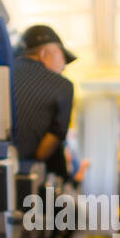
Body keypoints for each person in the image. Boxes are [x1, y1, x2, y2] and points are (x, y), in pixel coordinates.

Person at [11, 24, 76, 164]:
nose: (64, 66)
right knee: (52, 178)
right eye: (63, 58)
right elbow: (44, 153)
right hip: (30, 176)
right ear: (44, 54)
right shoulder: (63, 86)